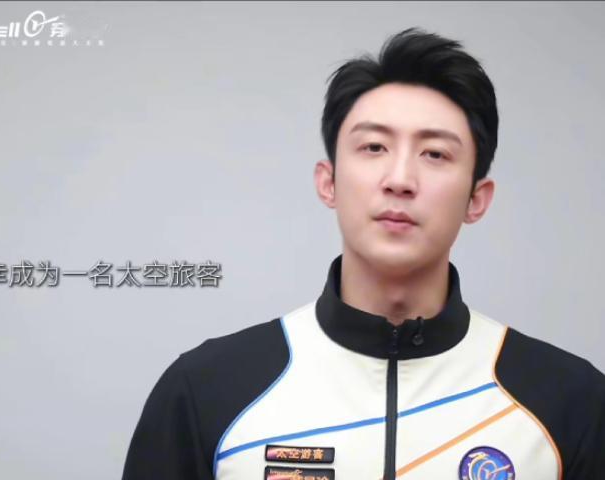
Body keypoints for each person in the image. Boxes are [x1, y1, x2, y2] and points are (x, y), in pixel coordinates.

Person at [122, 27, 605, 480]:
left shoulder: (570, 402)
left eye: (435, 153)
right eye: (374, 147)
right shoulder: (206, 390)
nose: (400, 179)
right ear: (328, 182)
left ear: (477, 199)